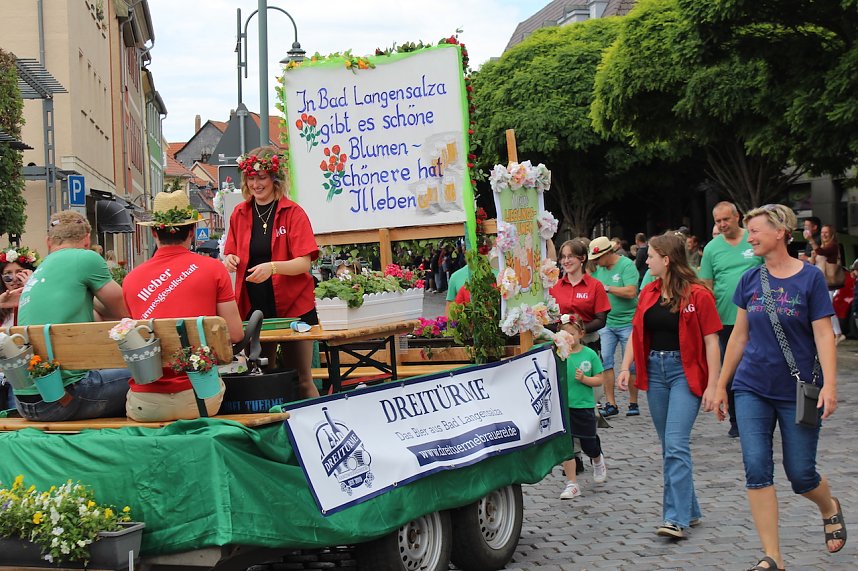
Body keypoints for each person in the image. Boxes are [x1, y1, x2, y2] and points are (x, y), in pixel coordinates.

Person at [702, 204, 845, 571]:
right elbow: (738, 338)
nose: (749, 238)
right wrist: (720, 386)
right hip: (752, 387)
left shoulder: (810, 278)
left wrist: (830, 384)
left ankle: (828, 505)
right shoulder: (751, 280)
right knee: (756, 468)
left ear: (781, 232)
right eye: (748, 231)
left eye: (756, 231)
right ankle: (773, 558)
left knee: (801, 474)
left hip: (798, 390)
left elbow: (824, 335)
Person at [617, 232, 722, 539]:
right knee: (669, 447)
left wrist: (714, 385)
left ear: (666, 259)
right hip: (655, 370)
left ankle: (674, 518)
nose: (644, 260)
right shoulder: (647, 291)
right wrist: (625, 367)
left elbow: (711, 341)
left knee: (675, 444)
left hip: (684, 373)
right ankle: (691, 509)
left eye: (649, 256)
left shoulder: (698, 294)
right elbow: (637, 334)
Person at [123, 191, 244, 421]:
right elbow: (236, 334)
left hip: (146, 405)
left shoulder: (130, 280)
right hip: (200, 398)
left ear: (153, 233)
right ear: (191, 233)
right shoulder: (214, 269)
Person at [223, 146, 320, 399]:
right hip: (255, 309)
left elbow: (304, 262)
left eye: (262, 178)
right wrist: (230, 259)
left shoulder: (293, 213)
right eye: (251, 179)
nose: (256, 184)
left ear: (275, 179)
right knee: (262, 376)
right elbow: (231, 253)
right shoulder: (240, 213)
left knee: (301, 378)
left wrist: (273, 267)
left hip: (294, 307)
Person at [15, 211, 131, 421]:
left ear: (49, 242)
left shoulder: (42, 268)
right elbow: (125, 313)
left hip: (25, 402)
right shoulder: (85, 259)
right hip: (64, 399)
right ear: (87, 239)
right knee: (145, 376)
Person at [699, 201, 762, 438]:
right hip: (725, 320)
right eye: (718, 221)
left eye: (726, 219)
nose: (723, 224)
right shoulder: (712, 248)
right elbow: (707, 286)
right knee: (732, 371)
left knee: (759, 367)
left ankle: (762, 415)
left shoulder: (753, 239)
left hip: (758, 317)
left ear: (738, 217)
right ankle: (737, 420)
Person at [557, 313, 607, 499]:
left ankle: (597, 458)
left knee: (588, 443)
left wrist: (585, 379)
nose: (568, 338)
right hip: (564, 406)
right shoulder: (558, 354)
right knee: (566, 447)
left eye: (572, 333)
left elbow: (600, 378)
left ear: (581, 334)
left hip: (583, 406)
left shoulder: (589, 354)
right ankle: (572, 483)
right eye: (565, 334)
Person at [589, 236, 640, 417]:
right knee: (606, 363)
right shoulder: (596, 269)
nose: (595, 262)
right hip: (607, 323)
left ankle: (633, 403)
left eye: (598, 258)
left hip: (628, 322)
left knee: (631, 365)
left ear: (607, 253)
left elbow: (632, 291)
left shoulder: (626, 265)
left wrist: (608, 288)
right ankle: (611, 404)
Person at [0, 246, 39, 411]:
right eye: (8, 274)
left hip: (25, 379)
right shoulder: (1, 302)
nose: (14, 278)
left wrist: (32, 290)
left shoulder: (36, 301)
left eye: (20, 272)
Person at [550, 240, 610, 342]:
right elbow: (547, 318)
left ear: (583, 258)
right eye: (563, 257)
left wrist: (578, 332)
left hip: (587, 341)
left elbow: (601, 320)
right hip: (560, 342)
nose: (566, 261)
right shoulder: (554, 286)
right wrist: (563, 332)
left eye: (571, 256)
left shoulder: (595, 285)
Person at [808, 224, 846, 345]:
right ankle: (832, 333)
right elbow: (816, 261)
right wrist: (811, 258)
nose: (823, 235)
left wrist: (810, 240)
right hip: (821, 283)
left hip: (830, 284)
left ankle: (838, 333)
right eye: (822, 232)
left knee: (828, 309)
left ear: (832, 234)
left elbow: (821, 252)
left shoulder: (833, 247)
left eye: (826, 232)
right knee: (823, 309)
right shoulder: (823, 247)